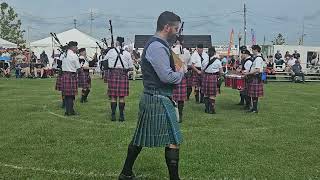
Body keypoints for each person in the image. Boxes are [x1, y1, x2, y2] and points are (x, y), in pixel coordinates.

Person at [118, 11, 184, 180]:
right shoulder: (157, 46)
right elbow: (167, 76)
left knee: (140, 137)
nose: (177, 32)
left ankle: (126, 173)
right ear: (167, 27)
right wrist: (182, 72)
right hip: (158, 98)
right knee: (173, 139)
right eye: (176, 28)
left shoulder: (159, 45)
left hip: (154, 97)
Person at [104, 37, 133, 121]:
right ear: (123, 44)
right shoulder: (127, 53)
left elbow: (104, 61)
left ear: (116, 43)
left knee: (113, 96)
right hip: (123, 75)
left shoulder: (111, 51)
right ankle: (121, 116)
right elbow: (131, 67)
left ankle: (113, 115)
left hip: (113, 74)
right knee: (121, 97)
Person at [171, 36, 190, 122]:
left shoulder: (171, 50)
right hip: (182, 76)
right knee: (181, 99)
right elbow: (188, 63)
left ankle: (174, 115)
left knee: (173, 97)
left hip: (173, 76)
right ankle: (180, 115)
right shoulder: (186, 52)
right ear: (182, 41)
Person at [61, 41, 81, 116]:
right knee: (71, 95)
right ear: (72, 47)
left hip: (64, 75)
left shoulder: (64, 54)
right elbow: (78, 68)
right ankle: (69, 112)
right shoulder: (74, 55)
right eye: (76, 47)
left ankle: (69, 111)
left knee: (67, 95)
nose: (77, 49)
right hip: (71, 76)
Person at [201, 47, 223, 114]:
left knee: (206, 94)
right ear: (215, 52)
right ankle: (211, 109)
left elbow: (202, 71)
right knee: (212, 95)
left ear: (208, 52)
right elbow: (221, 72)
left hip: (206, 77)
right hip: (213, 77)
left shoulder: (205, 60)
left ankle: (206, 109)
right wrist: (219, 77)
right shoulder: (217, 61)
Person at [245, 45, 264, 113]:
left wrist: (248, 73)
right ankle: (254, 108)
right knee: (253, 94)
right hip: (254, 77)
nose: (252, 51)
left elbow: (257, 70)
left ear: (256, 50)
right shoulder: (256, 58)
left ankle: (255, 109)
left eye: (252, 50)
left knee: (255, 94)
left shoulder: (258, 58)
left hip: (255, 77)